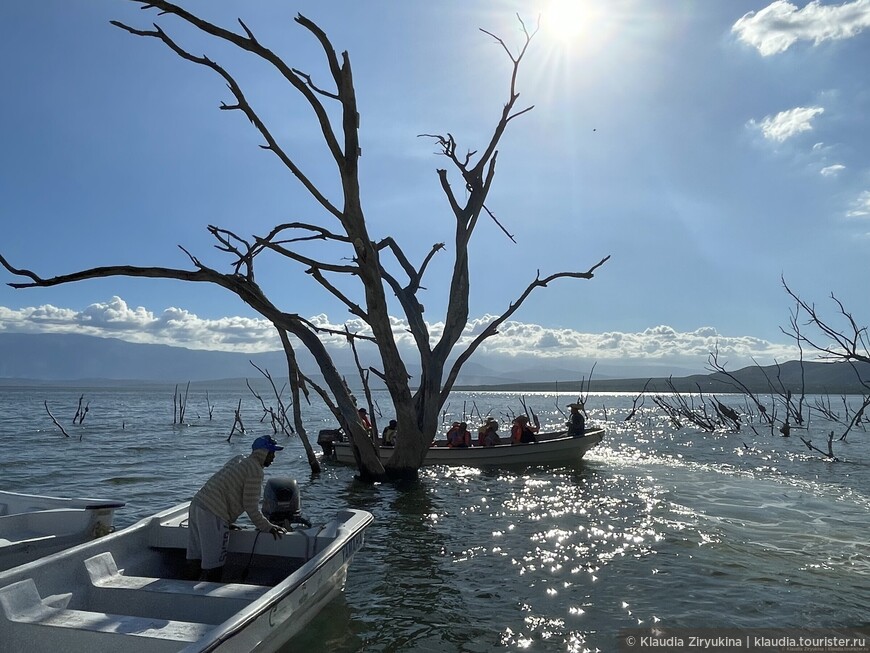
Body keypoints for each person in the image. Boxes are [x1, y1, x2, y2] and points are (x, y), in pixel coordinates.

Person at [186, 435, 287, 582]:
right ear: (262, 453)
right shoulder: (255, 470)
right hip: (214, 512)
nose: (273, 457)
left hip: (197, 505)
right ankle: (207, 600)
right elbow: (250, 507)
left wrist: (226, 521)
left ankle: (186, 590)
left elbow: (226, 487)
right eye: (271, 453)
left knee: (195, 558)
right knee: (214, 565)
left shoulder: (239, 459)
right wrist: (267, 527)